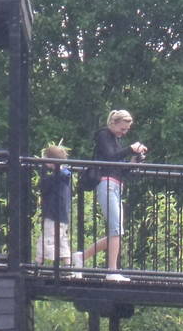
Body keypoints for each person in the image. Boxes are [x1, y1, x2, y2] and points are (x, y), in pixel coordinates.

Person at [87, 108, 146, 281]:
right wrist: (130, 148)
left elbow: (121, 168)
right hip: (106, 184)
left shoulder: (117, 141)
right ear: (113, 123)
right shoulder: (103, 135)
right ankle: (111, 271)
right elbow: (109, 157)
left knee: (117, 231)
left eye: (127, 130)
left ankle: (80, 258)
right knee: (116, 230)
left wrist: (134, 161)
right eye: (122, 128)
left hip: (116, 186)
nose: (124, 132)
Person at [37, 142, 77, 273]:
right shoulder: (65, 174)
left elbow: (44, 187)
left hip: (53, 214)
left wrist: (43, 172)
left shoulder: (56, 176)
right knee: (62, 240)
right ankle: (67, 265)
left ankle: (38, 264)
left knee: (48, 239)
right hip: (63, 215)